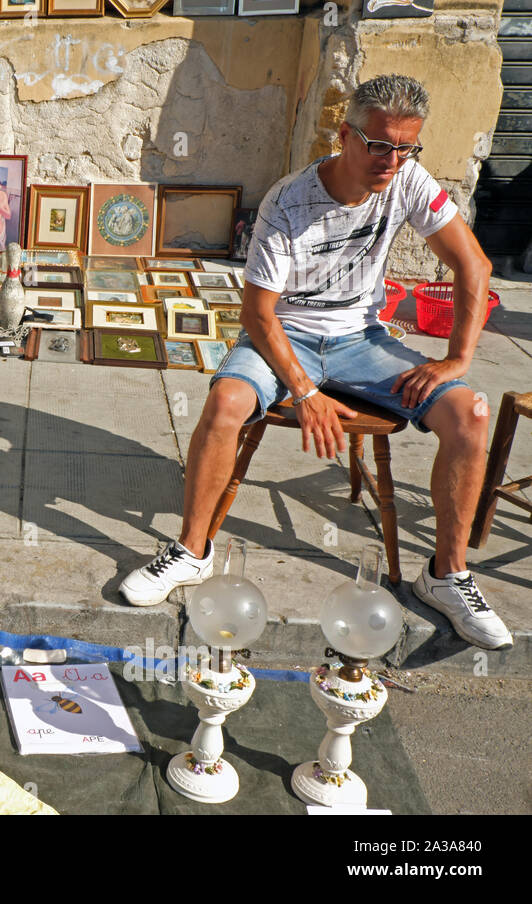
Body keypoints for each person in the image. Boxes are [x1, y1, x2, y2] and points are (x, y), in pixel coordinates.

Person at [118, 74, 512, 651]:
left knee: (470, 414)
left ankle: (446, 576)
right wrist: (304, 392)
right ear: (345, 135)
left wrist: (456, 358)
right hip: (286, 335)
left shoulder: (408, 180)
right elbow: (257, 314)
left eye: (407, 147)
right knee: (227, 401)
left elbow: (474, 266)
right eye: (380, 144)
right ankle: (191, 552)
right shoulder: (289, 200)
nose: (392, 160)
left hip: (361, 340)